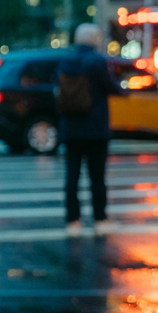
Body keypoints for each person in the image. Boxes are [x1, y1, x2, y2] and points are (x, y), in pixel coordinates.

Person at [57, 22, 125, 237]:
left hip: (71, 127)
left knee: (72, 176)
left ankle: (72, 221)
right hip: (95, 128)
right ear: (94, 39)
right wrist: (125, 87)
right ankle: (99, 219)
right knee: (97, 177)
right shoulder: (97, 61)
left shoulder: (65, 60)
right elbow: (111, 88)